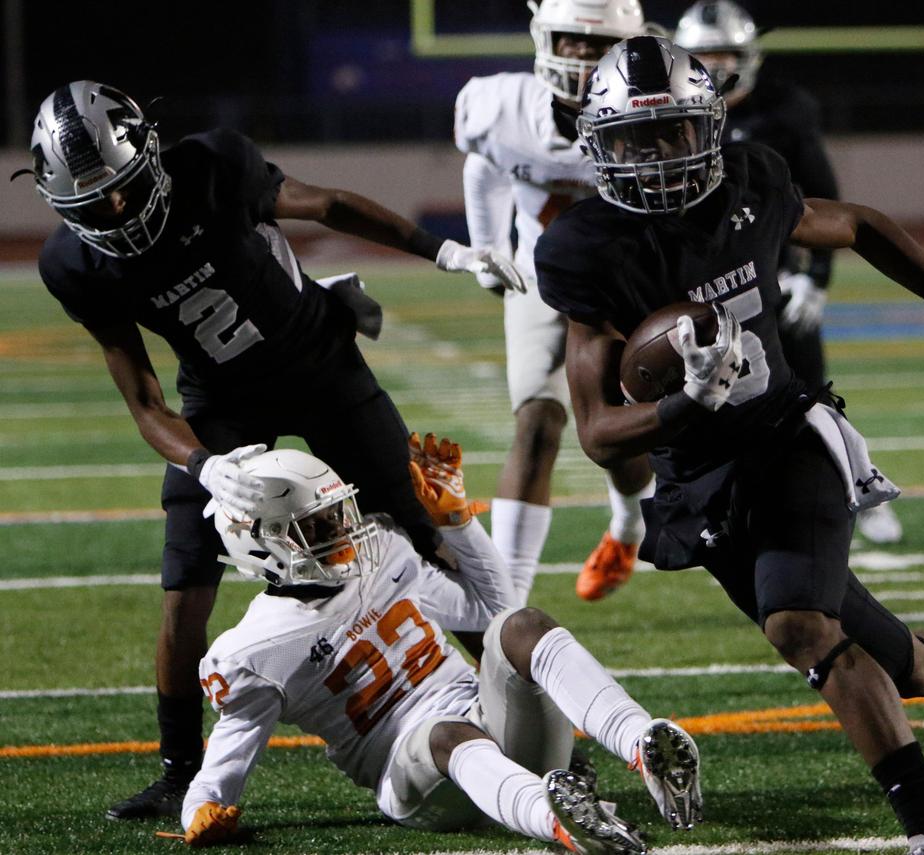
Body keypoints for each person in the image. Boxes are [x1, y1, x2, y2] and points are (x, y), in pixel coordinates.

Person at [534, 37, 924, 854]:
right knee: (906, 668)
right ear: (599, 147)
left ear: (711, 126)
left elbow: (858, 223)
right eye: (635, 141)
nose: (656, 159)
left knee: (799, 627)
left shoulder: (753, 182)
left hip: (790, 438)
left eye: (675, 133)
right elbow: (596, 432)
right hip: (699, 481)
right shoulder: (585, 249)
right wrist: (687, 402)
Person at [16, 80, 525, 821]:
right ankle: (178, 769)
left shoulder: (212, 168)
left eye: (123, 191)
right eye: (95, 207)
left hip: (318, 359)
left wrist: (438, 248)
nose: (118, 215)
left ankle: (529, 718)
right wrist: (207, 466)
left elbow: (326, 205)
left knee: (422, 529)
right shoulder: (73, 264)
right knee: (185, 581)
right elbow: (145, 402)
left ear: (150, 161)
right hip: (219, 401)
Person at [162, 437, 701, 853]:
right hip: (414, 776)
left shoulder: (383, 554)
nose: (344, 532)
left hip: (492, 721)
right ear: (259, 543)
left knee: (523, 625)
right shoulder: (256, 650)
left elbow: (496, 612)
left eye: (339, 514)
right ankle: (561, 820)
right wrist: (202, 808)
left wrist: (458, 523)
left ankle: (642, 744)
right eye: (317, 526)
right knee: (447, 733)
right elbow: (229, 755)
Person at [674, 0, 903, 545]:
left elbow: (826, 202)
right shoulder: (670, 112)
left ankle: (856, 488)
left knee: (809, 390)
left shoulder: (785, 109)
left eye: (726, 54)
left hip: (770, 273)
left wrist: (815, 277)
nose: (717, 67)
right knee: (692, 397)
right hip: (696, 278)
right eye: (704, 56)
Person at [454, 0, 657, 604]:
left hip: (629, 281)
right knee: (537, 421)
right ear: (545, 36)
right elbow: (484, 164)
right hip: (543, 277)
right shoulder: (498, 109)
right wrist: (487, 245)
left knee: (616, 437)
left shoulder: (651, 112)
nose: (581, 56)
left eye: (597, 45)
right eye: (570, 40)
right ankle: (507, 603)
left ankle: (628, 524)